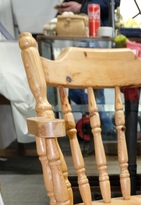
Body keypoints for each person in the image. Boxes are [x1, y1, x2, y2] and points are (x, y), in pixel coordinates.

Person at [55, 1, 121, 138]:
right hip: (75, 31)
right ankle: (104, 122)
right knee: (75, 87)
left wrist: (80, 7)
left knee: (95, 86)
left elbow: (112, 2)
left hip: (98, 34)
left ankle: (104, 123)